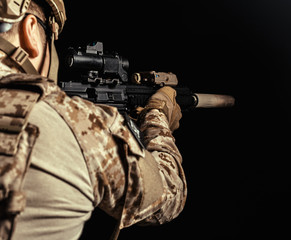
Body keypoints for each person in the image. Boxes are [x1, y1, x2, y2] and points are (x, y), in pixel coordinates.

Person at [0, 1, 186, 240]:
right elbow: (168, 196)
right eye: (49, 37)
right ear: (30, 30)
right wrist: (157, 115)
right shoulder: (76, 121)